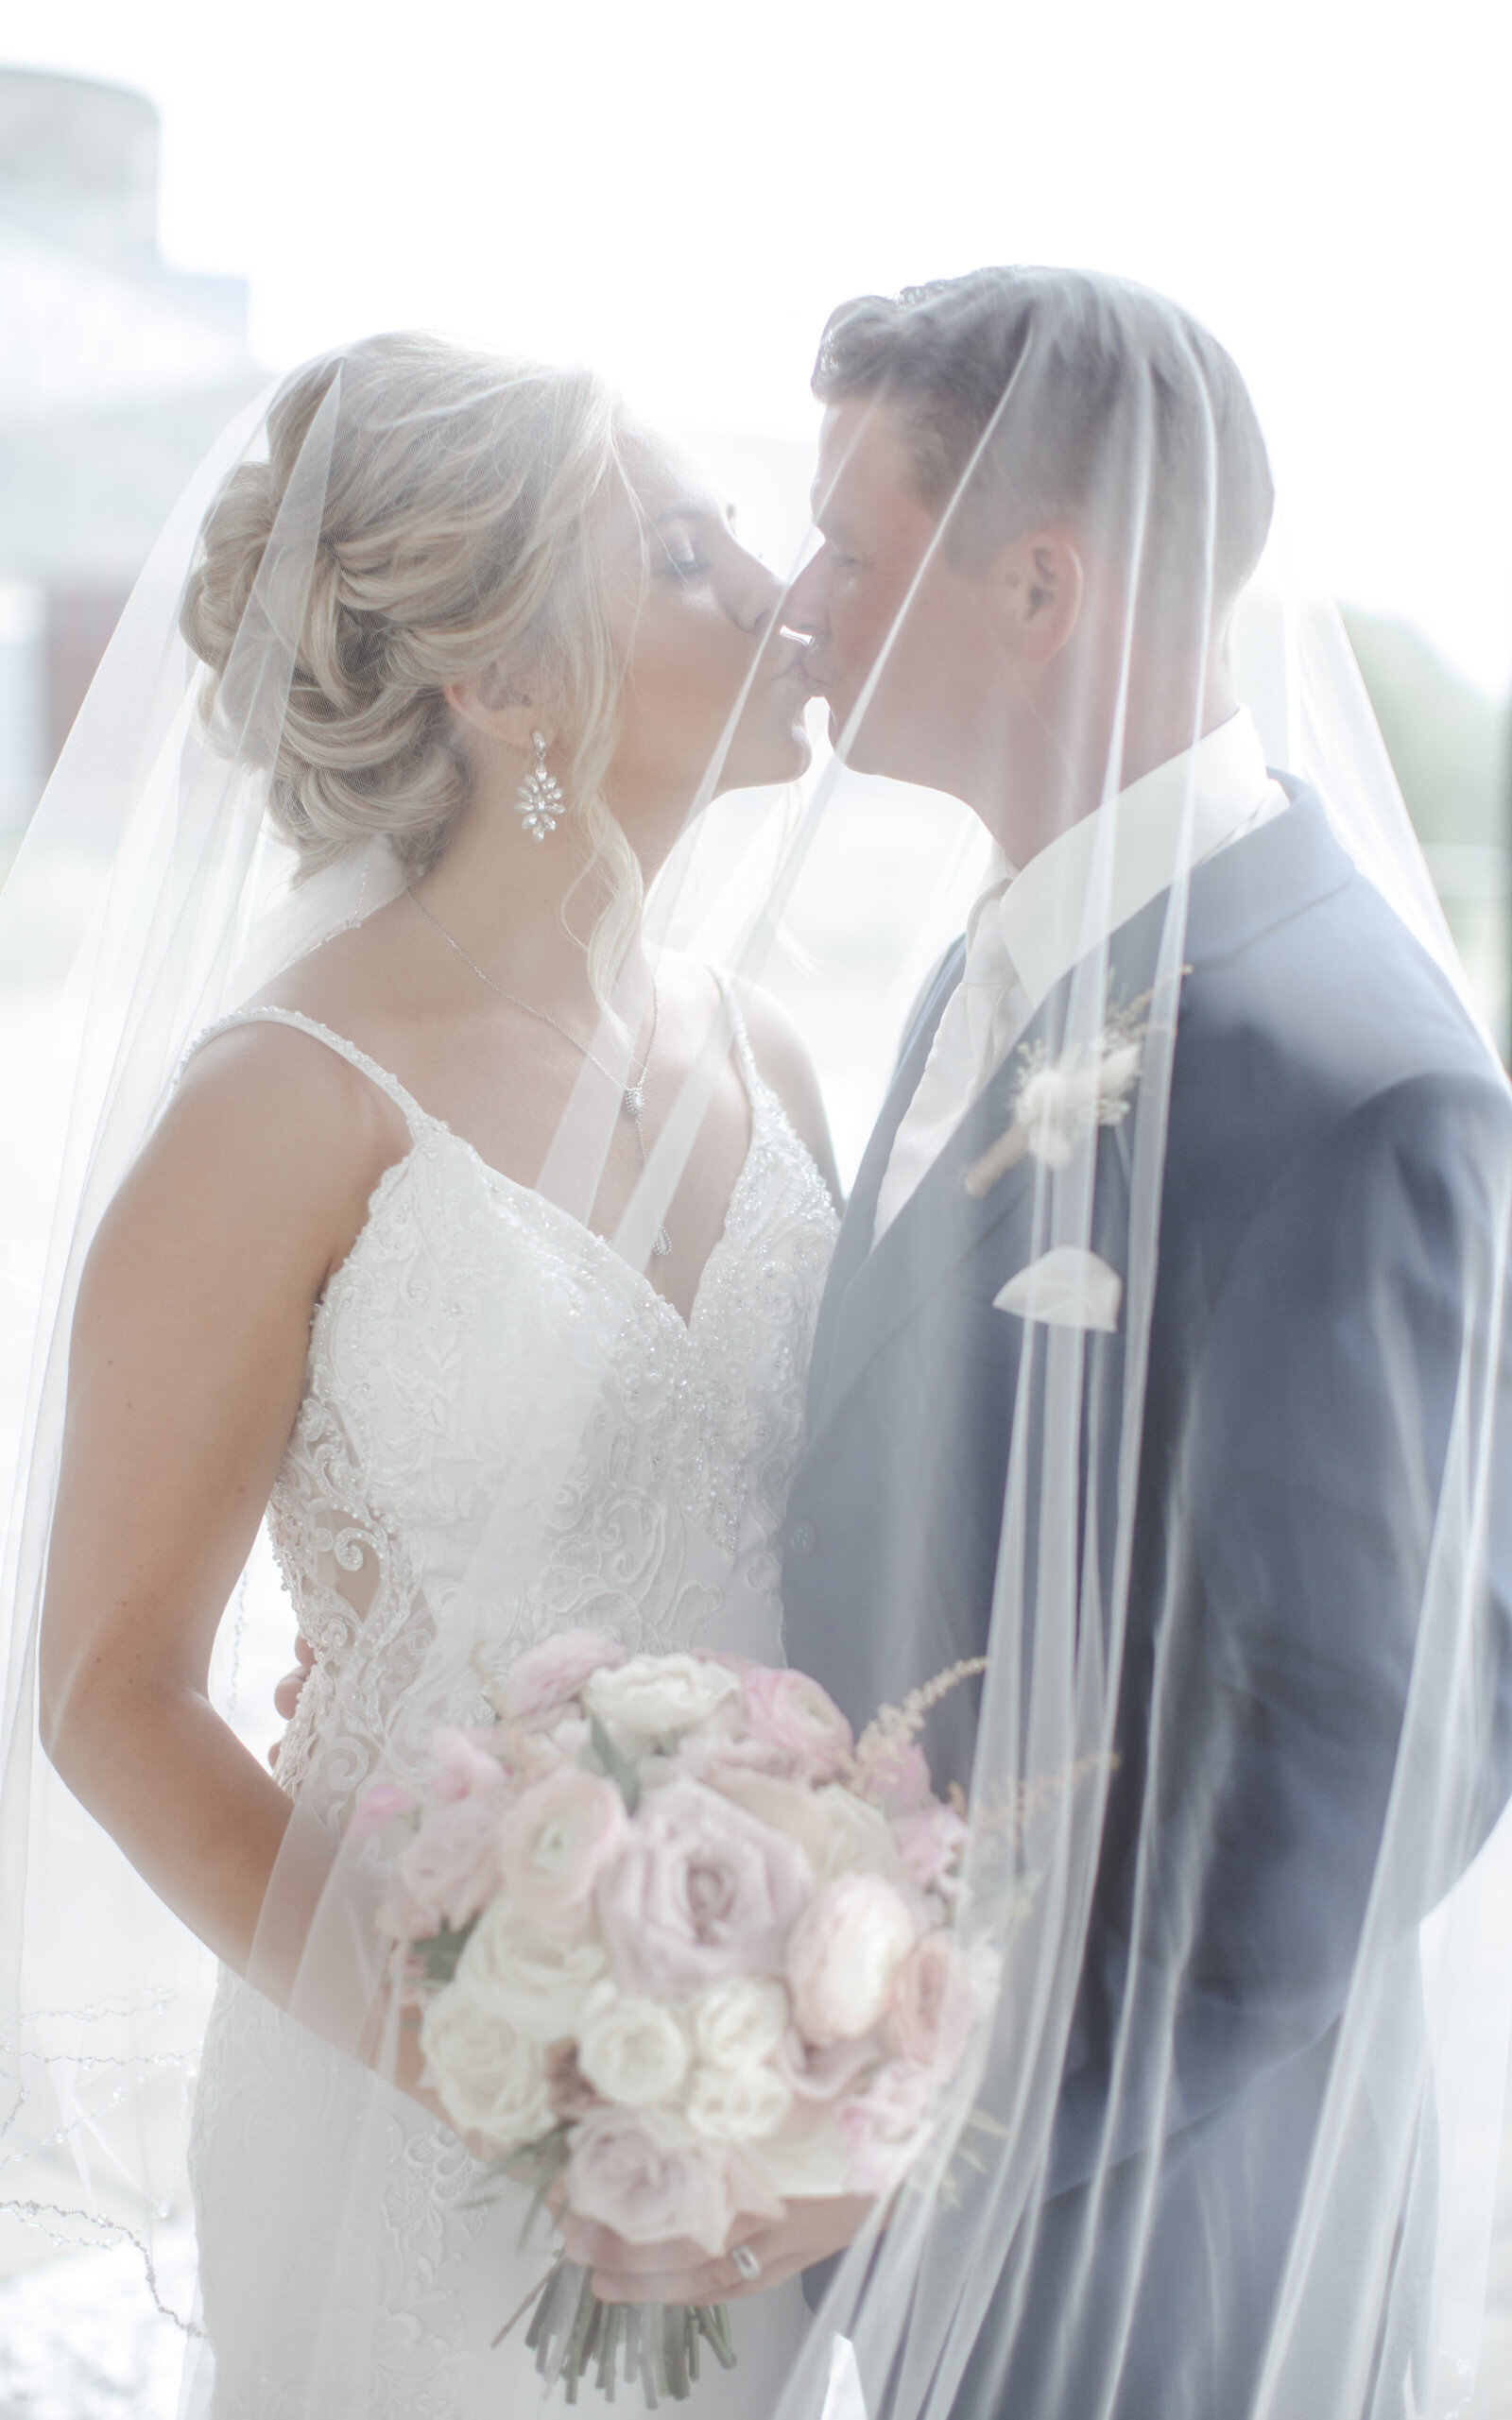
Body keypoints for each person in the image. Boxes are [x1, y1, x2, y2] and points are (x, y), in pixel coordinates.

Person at [567, 270, 1512, 2419]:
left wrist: (919, 2138)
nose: (797, 599)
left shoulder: (1354, 1088)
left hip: (1151, 2263)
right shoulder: (996, 947)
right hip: (915, 2228)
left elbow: (1357, 1785)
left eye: (846, 541)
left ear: (1039, 586)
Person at [33, 333, 846, 2417]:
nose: (771, 584)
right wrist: (510, 2078)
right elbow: (113, 1687)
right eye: (680, 550)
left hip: (755, 2088)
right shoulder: (287, 1104)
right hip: (416, 2116)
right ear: (499, 686)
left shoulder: (770, 1057)